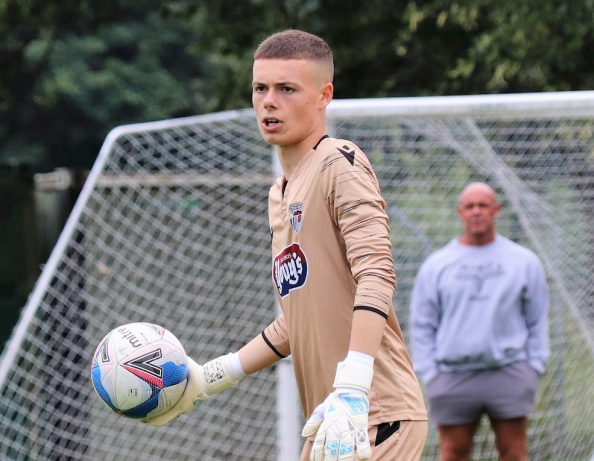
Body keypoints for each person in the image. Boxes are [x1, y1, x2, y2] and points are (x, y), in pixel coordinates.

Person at [141, 29, 428, 460]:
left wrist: (353, 385)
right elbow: (297, 321)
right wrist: (213, 377)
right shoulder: (280, 193)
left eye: (286, 89)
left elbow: (377, 274)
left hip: (372, 413)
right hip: (329, 420)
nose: (269, 101)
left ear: (323, 95)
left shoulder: (339, 162)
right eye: (260, 88)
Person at [409, 182, 550, 461]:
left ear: (496, 210)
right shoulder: (437, 265)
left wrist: (535, 364)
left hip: (509, 372)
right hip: (452, 375)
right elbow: (422, 323)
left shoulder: (523, 262)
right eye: (470, 206)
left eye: (483, 205)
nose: (477, 212)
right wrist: (430, 373)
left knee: (513, 452)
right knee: (453, 452)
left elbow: (537, 317)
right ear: (460, 212)